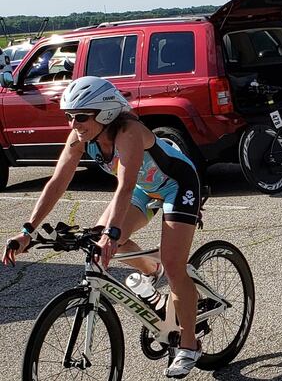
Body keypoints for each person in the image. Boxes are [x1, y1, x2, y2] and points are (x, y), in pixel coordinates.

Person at [2, 76, 203, 378]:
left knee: (173, 264)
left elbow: (125, 184)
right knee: (100, 241)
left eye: (80, 116)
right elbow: (57, 182)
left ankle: (189, 344)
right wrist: (27, 230)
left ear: (105, 112)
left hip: (177, 184)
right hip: (143, 190)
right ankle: (152, 271)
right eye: (68, 116)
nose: (73, 123)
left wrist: (114, 232)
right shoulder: (81, 137)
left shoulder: (129, 132)